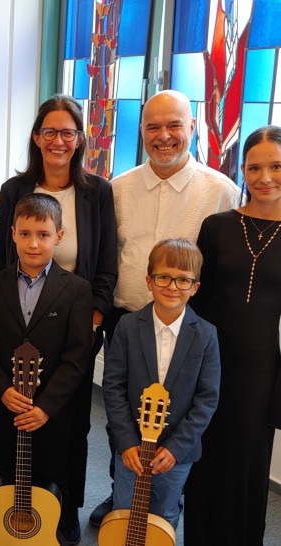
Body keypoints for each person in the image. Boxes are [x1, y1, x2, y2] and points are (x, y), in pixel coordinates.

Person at [0, 94, 117, 543]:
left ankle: (64, 508)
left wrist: (89, 322)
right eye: (48, 131)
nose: (57, 140)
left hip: (74, 321)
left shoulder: (97, 192)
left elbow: (106, 265)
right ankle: (11, 500)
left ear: (79, 139)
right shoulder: (16, 191)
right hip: (18, 314)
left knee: (68, 423)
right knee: (12, 417)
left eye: (67, 132)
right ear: (36, 137)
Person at [89, 89, 240, 526]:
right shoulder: (118, 188)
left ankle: (168, 502)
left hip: (187, 328)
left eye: (174, 124)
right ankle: (123, 492)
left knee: (179, 420)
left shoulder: (220, 191)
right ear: (142, 131)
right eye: (153, 126)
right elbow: (105, 258)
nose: (164, 136)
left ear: (192, 127)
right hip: (129, 322)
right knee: (122, 414)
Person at [0, 193, 93, 543]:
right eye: (24, 234)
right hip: (4, 404)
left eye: (43, 234)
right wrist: (2, 390)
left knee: (52, 469)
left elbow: (77, 357)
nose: (33, 243)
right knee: (7, 467)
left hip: (52, 410)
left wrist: (46, 407)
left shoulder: (78, 291)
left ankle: (54, 522)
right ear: (12, 234)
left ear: (59, 237)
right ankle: (7, 521)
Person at [183, 125, 281, 545]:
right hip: (211, 363)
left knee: (247, 467)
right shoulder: (217, 226)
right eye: (255, 167)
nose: (265, 178)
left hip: (262, 372)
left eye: (276, 167)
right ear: (242, 170)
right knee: (203, 460)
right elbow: (197, 305)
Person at [102, 238, 220, 530]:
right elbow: (113, 386)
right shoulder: (127, 327)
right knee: (123, 514)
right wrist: (127, 442)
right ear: (149, 281)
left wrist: (177, 448)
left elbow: (207, 400)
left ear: (195, 288)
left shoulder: (206, 335)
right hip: (131, 451)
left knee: (164, 516)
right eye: (164, 277)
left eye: (183, 280)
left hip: (176, 455)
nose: (172, 286)